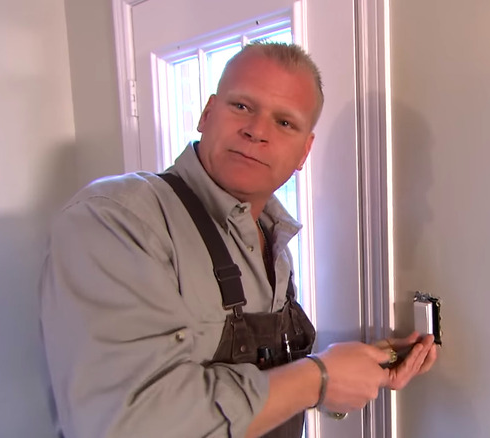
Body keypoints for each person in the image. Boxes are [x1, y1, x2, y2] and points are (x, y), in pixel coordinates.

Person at [40, 42, 437, 438]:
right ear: (207, 113)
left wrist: (363, 366)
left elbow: (265, 381)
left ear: (304, 151)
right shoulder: (117, 217)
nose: (257, 131)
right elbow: (128, 425)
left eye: (285, 123)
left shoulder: (270, 239)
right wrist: (317, 378)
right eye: (242, 107)